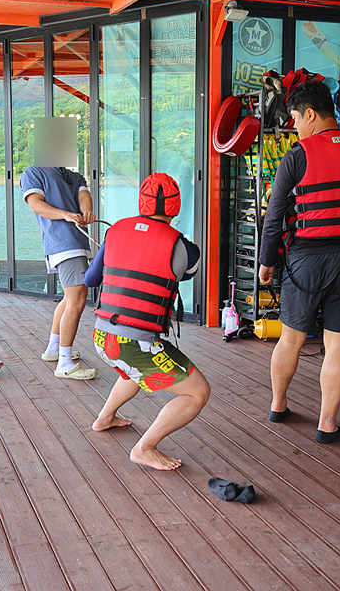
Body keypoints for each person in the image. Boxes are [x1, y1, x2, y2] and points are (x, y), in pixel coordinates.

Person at [257, 80, 340, 444]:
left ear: (310, 114)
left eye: (296, 118)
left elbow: (275, 214)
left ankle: (279, 405)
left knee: (291, 339)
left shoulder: (298, 154)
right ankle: (327, 424)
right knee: (338, 346)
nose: (295, 125)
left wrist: (267, 262)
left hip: (307, 260)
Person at [84, 173, 209, 470]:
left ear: (141, 201)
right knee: (197, 392)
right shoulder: (184, 248)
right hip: (135, 342)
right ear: (176, 206)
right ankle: (145, 447)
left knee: (133, 371)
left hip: (103, 338)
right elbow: (186, 271)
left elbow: (91, 279)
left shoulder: (114, 233)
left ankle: (105, 418)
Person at [21, 164, 97, 380]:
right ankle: (64, 363)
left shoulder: (73, 174)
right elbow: (36, 205)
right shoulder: (34, 171)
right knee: (77, 300)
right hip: (62, 243)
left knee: (71, 297)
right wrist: (65, 215)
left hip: (77, 240)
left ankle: (54, 349)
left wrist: (87, 211)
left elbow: (84, 195)